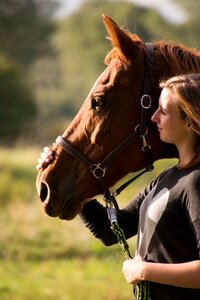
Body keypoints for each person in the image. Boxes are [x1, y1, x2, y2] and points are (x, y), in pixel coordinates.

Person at [36, 73, 200, 300]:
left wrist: (145, 271)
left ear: (190, 121)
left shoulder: (196, 183)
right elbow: (110, 230)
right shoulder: (168, 177)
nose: (153, 118)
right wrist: (62, 176)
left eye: (163, 111)